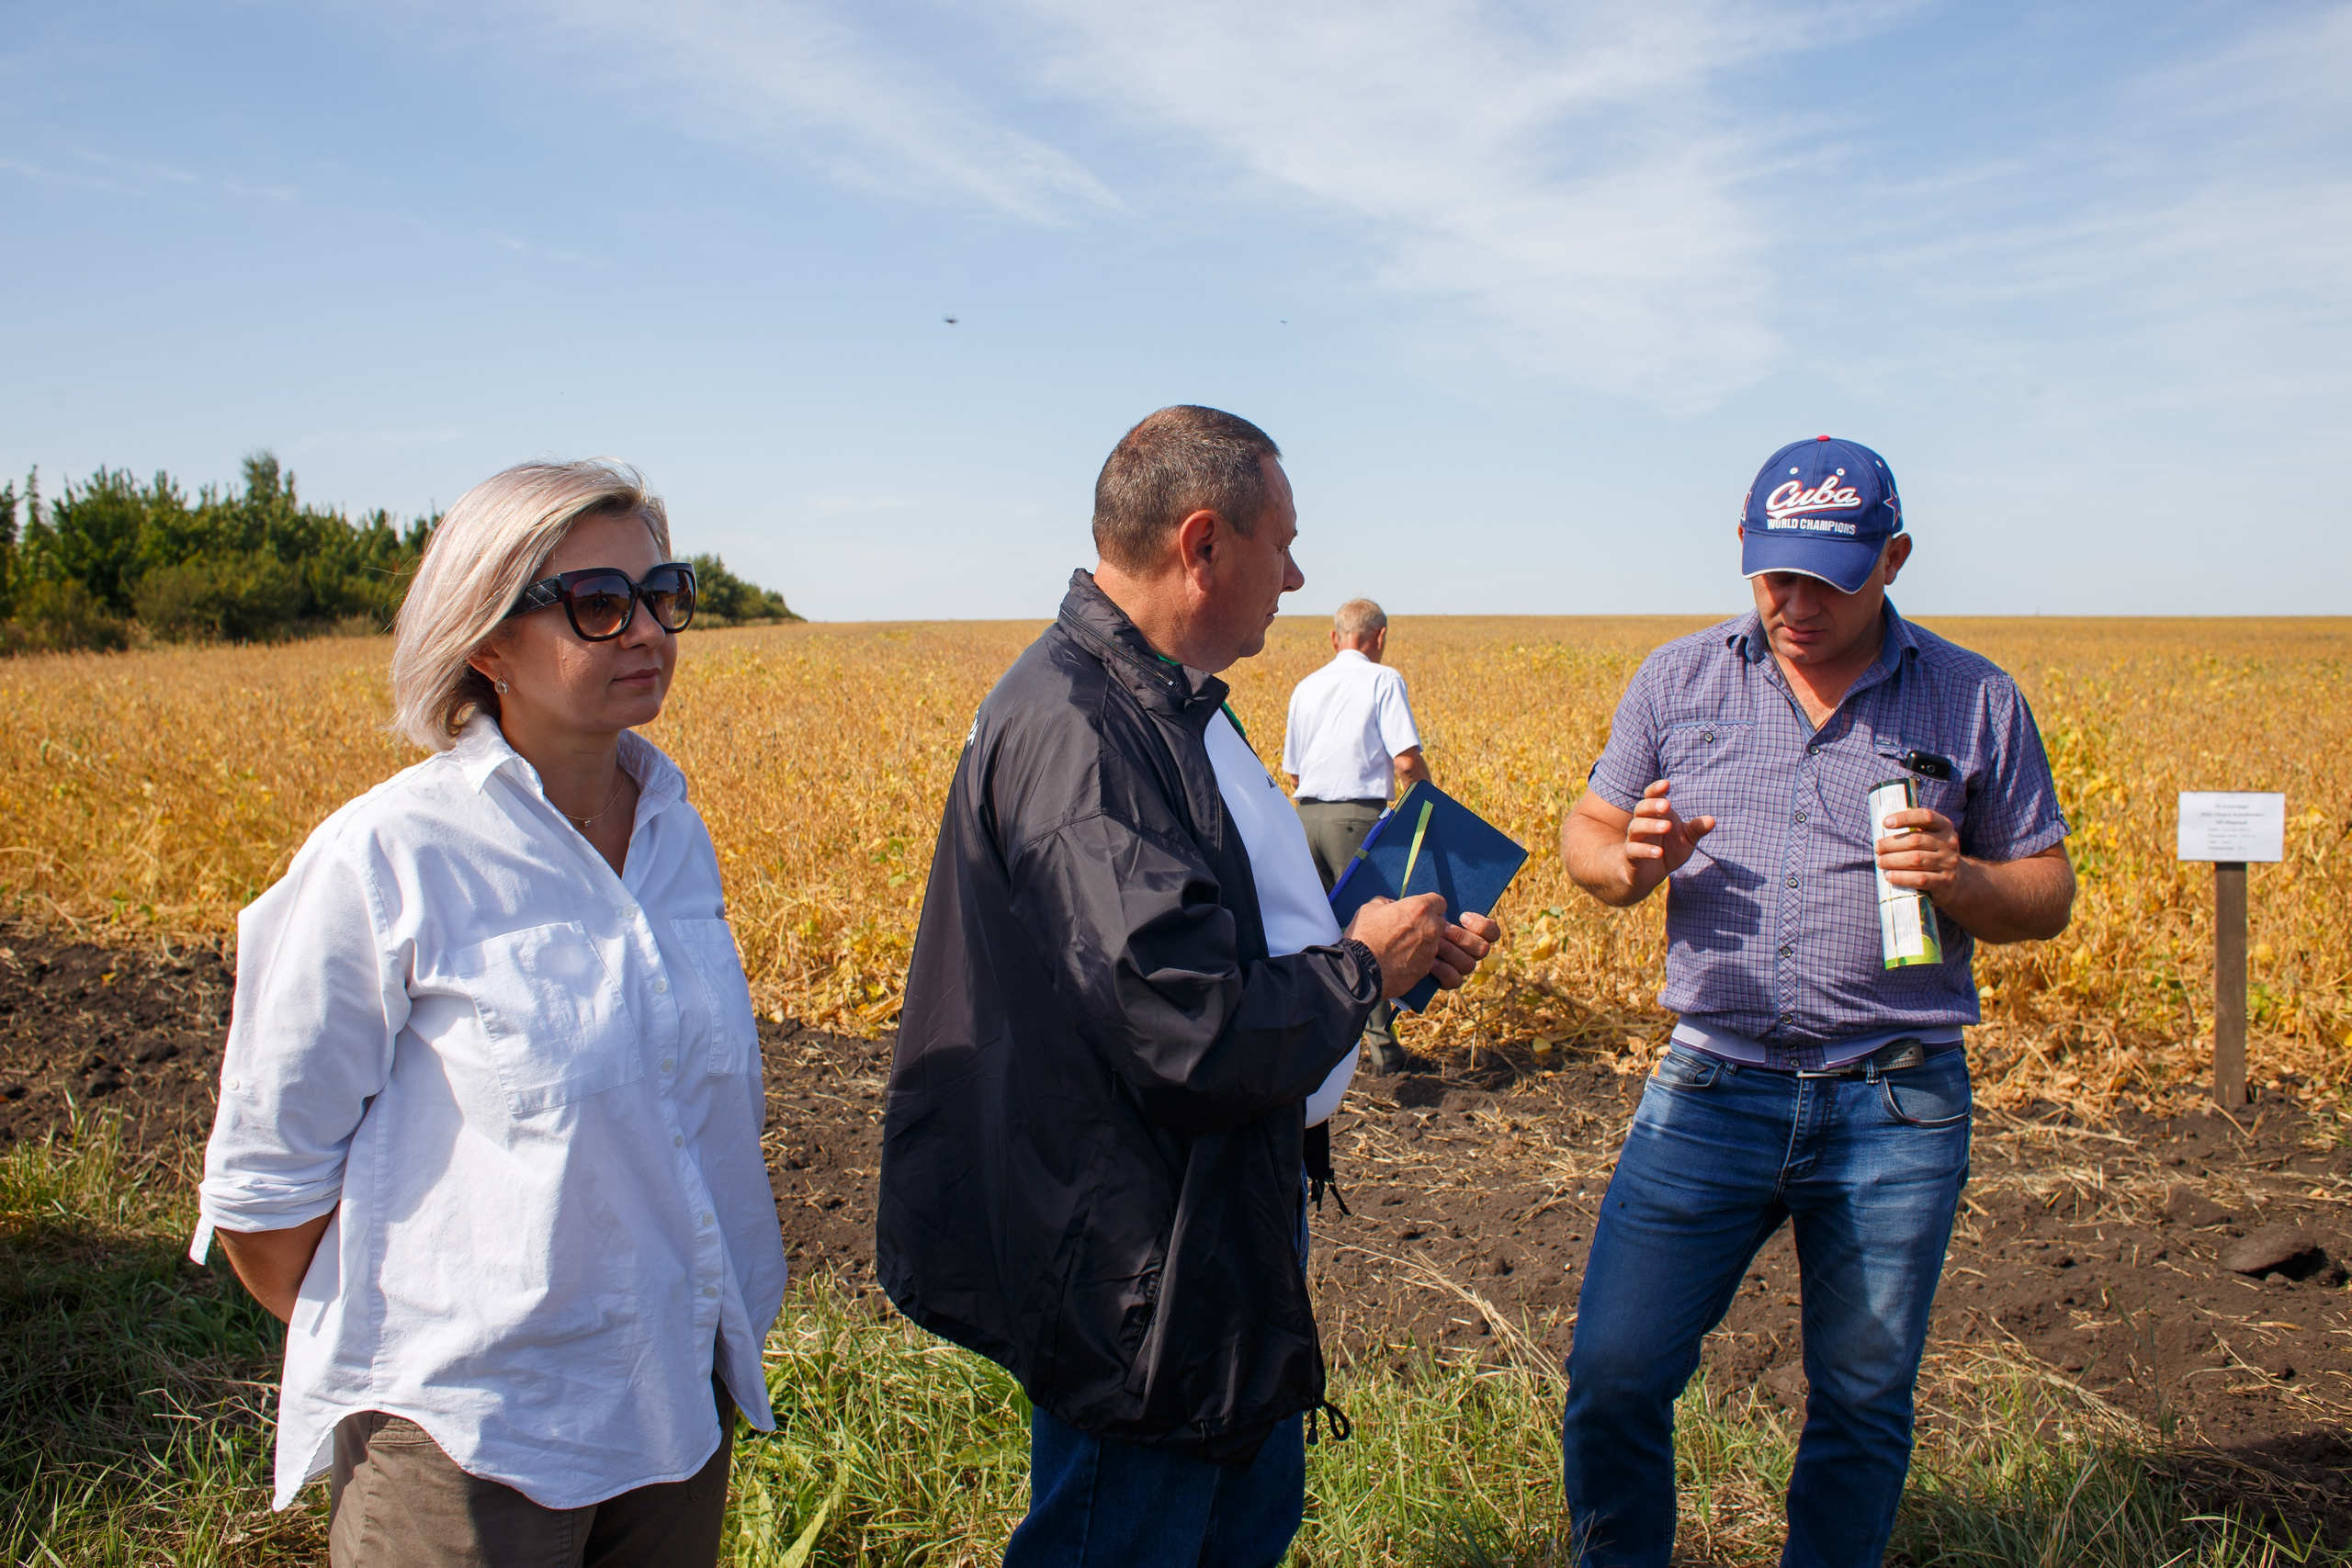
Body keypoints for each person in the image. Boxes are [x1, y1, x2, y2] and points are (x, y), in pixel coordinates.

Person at [878, 406, 1500, 1568]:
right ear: (1204, 546)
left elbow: (1217, 917)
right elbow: (1187, 1022)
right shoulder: (1086, 732)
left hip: (1208, 1228)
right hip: (1141, 1262)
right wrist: (1362, 967)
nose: (1301, 574)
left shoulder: (1164, 699)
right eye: (1285, 540)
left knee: (1227, 1529)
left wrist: (1387, 946)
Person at [190, 460, 786, 1567]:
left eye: (663, 595)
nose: (645, 630)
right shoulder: (387, 859)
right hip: (470, 1448)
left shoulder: (670, 834)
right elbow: (264, 1194)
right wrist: (431, 1353)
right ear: (486, 642)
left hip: (675, 1406)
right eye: (598, 606)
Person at [1555, 436, 2075, 1568]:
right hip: (1707, 1087)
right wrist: (1624, 865)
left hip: (1895, 1100)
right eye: (1773, 572)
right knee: (1612, 1374)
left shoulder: (1973, 696)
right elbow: (1585, 837)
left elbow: (2047, 892)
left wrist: (1967, 880)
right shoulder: (1679, 679)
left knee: (1860, 1400)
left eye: (1828, 579)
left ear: (1890, 559)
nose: (1793, 603)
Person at [1282, 597, 1430, 1075]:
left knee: (1314, 935)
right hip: (1358, 820)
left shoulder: (1306, 687)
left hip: (1305, 820)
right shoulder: (1383, 679)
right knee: (1372, 937)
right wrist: (1430, 809)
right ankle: (1383, 1053)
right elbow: (1405, 761)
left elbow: (1293, 773)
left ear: (1334, 638)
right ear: (1380, 637)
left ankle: (1314, 1052)